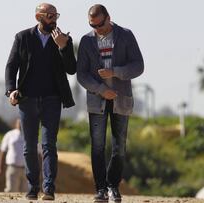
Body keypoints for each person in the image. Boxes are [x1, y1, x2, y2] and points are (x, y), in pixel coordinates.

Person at [4, 2, 76, 201]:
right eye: (50, 15)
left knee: (49, 145)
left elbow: (72, 69)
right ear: (39, 17)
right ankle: (33, 187)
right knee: (29, 146)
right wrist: (11, 90)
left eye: (56, 15)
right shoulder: (23, 37)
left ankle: (49, 188)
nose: (54, 19)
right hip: (27, 100)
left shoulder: (63, 39)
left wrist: (63, 47)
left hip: (52, 100)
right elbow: (11, 66)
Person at [76, 4, 144, 203]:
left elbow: (138, 65)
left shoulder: (126, 35)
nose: (97, 29)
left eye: (100, 25)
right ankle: (101, 189)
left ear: (108, 18)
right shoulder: (86, 41)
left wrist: (115, 72)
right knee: (97, 146)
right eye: (92, 25)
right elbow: (82, 74)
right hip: (96, 102)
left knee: (119, 147)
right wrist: (100, 89)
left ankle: (114, 186)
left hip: (121, 100)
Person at [0, 119, 26, 192]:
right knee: (11, 191)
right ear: (15, 124)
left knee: (26, 193)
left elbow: (38, 152)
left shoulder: (28, 135)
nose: (20, 124)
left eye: (22, 122)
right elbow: (2, 151)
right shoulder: (10, 134)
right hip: (13, 168)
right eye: (18, 123)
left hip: (26, 169)